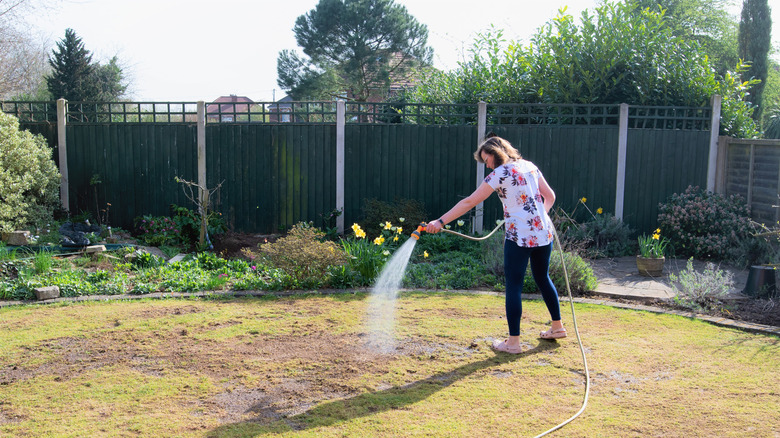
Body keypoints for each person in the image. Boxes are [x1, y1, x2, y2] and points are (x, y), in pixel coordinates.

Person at [425, 135, 566, 354]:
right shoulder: (530, 166)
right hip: (543, 233)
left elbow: (469, 201)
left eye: (487, 159)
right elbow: (551, 197)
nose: (487, 164)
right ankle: (557, 327)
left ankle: (513, 343)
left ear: (496, 153)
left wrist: (440, 221)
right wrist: (539, 218)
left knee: (514, 285)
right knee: (542, 277)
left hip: (519, 236)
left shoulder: (499, 174)